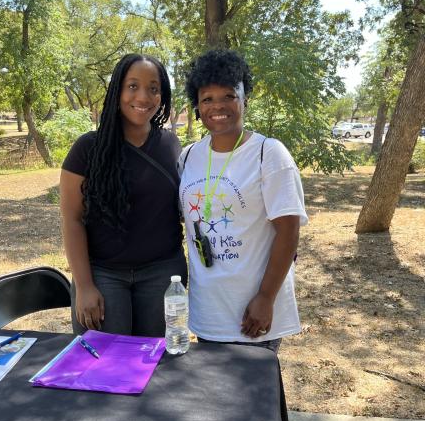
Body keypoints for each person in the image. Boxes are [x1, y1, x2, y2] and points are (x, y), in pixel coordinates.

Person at [178, 49, 308, 353]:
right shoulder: (189, 156)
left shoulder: (269, 153)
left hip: (253, 309)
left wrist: (265, 298)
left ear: (244, 99)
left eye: (228, 95)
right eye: (207, 98)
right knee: (215, 397)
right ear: (197, 106)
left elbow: (288, 233)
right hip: (208, 308)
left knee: (256, 396)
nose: (218, 106)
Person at [60, 53, 187, 337]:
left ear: (162, 95)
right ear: (117, 90)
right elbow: (72, 220)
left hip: (162, 274)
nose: (143, 96)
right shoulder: (87, 149)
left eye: (153, 88)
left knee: (154, 364)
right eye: (132, 86)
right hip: (103, 274)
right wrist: (84, 286)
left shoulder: (170, 144)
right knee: (104, 369)